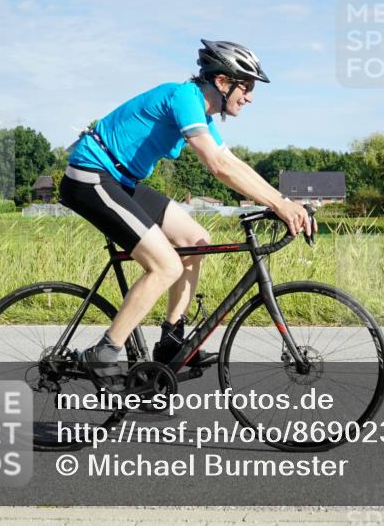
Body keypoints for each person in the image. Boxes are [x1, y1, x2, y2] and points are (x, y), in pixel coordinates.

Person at [59, 40, 313, 389]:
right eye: (247, 87)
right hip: (91, 177)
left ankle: (170, 343)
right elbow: (218, 166)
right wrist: (279, 205)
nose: (250, 97)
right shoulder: (184, 98)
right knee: (166, 265)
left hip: (122, 180)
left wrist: (282, 200)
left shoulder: (200, 111)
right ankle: (103, 352)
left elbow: (233, 161)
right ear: (223, 82)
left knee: (195, 240)